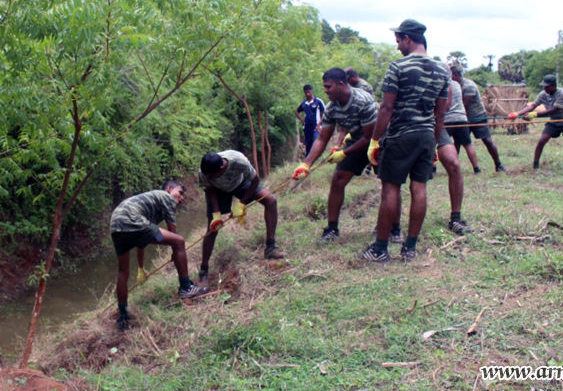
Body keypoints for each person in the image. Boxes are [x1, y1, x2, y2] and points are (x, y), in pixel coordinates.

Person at [357, 19, 448, 263]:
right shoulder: (442, 70)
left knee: (390, 188)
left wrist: (374, 140)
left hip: (400, 136)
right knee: (419, 188)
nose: (398, 47)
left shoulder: (398, 67)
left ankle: (380, 250)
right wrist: (436, 143)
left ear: (407, 38)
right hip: (427, 136)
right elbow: (440, 113)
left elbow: (386, 107)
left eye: (398, 41)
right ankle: (410, 248)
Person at [292, 67, 378, 242]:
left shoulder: (363, 101)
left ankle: (392, 227)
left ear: (340, 84)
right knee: (338, 179)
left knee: (389, 183)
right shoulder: (332, 108)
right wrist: (306, 164)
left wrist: (343, 152)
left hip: (381, 141)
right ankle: (332, 228)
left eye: (328, 86)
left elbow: (369, 137)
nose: (324, 90)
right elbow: (322, 139)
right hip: (357, 139)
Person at [110, 180, 206, 331]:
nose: (181, 198)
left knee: (123, 272)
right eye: (180, 193)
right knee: (180, 241)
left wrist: (141, 267)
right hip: (130, 218)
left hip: (116, 225)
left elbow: (141, 241)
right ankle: (186, 287)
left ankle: (122, 314)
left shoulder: (151, 206)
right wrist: (175, 249)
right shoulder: (166, 197)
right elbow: (173, 232)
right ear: (169, 189)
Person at [199, 151, 283, 285]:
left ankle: (271, 248)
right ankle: (203, 270)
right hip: (218, 191)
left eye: (213, 175)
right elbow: (209, 190)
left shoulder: (238, 161)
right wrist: (216, 214)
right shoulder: (204, 171)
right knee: (212, 228)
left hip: (240, 183)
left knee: (271, 200)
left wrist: (242, 203)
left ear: (221, 169)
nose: (210, 177)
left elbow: (255, 180)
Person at [435, 67, 475, 235]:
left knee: (454, 164)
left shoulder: (449, 83)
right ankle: (393, 226)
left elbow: (445, 108)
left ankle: (456, 218)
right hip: (409, 127)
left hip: (434, 124)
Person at [508, 74, 563, 169]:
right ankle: (535, 165)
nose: (545, 89)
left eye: (547, 87)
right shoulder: (543, 94)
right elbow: (531, 106)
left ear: (554, 85)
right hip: (553, 122)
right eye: (544, 87)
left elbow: (554, 110)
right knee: (542, 140)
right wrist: (517, 113)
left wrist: (535, 114)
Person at [450, 66, 506, 172]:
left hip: (477, 117)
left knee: (487, 140)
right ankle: (452, 167)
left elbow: (463, 104)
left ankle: (498, 165)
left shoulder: (468, 86)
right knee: (457, 142)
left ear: (456, 75)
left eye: (450, 76)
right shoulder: (455, 86)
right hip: (464, 118)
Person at [296, 85, 325, 157]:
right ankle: (308, 159)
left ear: (312, 91)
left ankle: (317, 156)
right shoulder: (304, 103)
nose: (307, 94)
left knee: (316, 140)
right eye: (306, 93)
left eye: (308, 92)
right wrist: (302, 119)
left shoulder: (318, 101)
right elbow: (297, 111)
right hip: (307, 127)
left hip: (316, 127)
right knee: (308, 144)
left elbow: (325, 113)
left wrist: (320, 124)